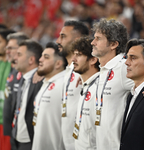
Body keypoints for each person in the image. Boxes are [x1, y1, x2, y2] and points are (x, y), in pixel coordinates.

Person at [91, 18, 134, 150]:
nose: (92, 42)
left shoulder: (122, 67)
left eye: (98, 38)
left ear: (113, 44)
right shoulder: (103, 70)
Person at [56, 20, 89, 150]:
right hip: (67, 143)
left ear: (78, 39)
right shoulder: (68, 70)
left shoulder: (89, 68)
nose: (58, 41)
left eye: (63, 36)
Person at [32, 42, 67, 150]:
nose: (40, 60)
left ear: (58, 64)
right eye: (42, 56)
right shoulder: (46, 82)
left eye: (46, 57)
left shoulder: (64, 84)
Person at [11, 40, 43, 150]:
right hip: (17, 138)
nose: (15, 58)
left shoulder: (40, 81)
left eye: (19, 54)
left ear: (31, 59)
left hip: (29, 141)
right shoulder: (23, 78)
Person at [70, 37, 100, 150]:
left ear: (93, 60)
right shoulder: (86, 84)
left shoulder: (99, 87)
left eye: (78, 55)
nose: (73, 59)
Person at [3, 32, 29, 150]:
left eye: (10, 48)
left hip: (23, 136)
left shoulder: (28, 75)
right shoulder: (13, 71)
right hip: (12, 132)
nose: (7, 51)